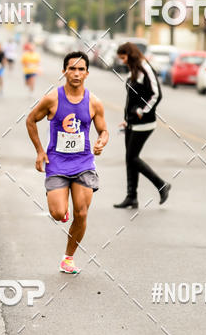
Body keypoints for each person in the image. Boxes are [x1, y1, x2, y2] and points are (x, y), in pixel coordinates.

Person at [26, 51, 108, 274]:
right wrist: (39, 151)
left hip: (84, 164)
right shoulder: (52, 98)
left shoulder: (94, 102)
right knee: (57, 213)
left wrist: (101, 141)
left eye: (81, 69)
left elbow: (103, 130)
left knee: (81, 213)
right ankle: (61, 208)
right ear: (64, 71)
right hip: (57, 163)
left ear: (87, 73)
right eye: (72, 68)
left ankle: (68, 258)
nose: (76, 73)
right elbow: (31, 120)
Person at [113, 42, 170, 210]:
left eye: (123, 57)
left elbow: (156, 94)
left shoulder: (145, 68)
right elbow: (133, 98)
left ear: (130, 54)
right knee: (129, 159)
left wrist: (142, 111)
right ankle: (131, 197)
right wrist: (127, 119)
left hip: (144, 123)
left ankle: (161, 185)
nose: (122, 61)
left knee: (132, 158)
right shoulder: (134, 70)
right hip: (132, 122)